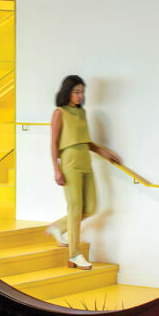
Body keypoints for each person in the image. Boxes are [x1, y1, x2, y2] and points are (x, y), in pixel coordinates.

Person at [47, 75, 122, 270]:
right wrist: (56, 169)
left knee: (91, 207)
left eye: (82, 92)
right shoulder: (59, 113)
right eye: (77, 92)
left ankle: (59, 227)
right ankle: (74, 254)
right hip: (70, 163)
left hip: (86, 163)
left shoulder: (82, 113)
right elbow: (54, 144)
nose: (80, 96)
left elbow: (86, 142)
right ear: (67, 92)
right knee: (75, 208)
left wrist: (105, 152)